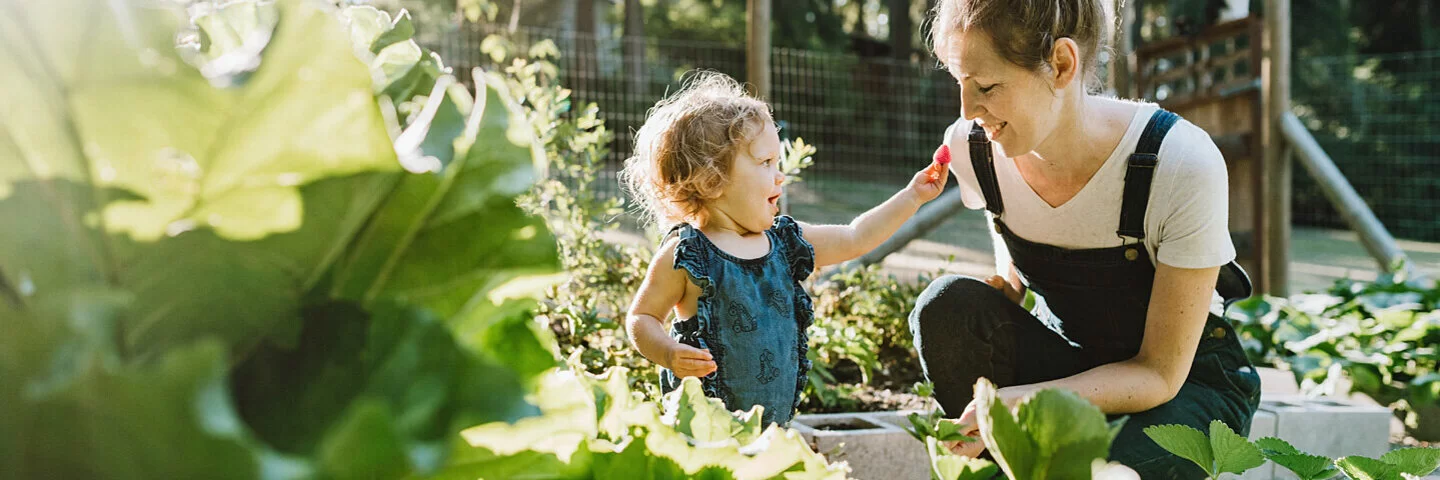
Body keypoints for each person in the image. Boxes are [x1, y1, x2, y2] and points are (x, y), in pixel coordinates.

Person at [910, 0, 1261, 476]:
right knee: (946, 305)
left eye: (987, 86)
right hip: (1072, 364)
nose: (968, 109)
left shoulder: (1179, 162)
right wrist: (1009, 283)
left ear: (1061, 64)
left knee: (1087, 469)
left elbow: (1159, 374)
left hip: (1182, 389)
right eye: (960, 82)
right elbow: (1012, 226)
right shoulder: (975, 148)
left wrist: (1031, 400)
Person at [620, 71, 949, 427]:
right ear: (711, 179)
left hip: (772, 428)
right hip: (703, 429)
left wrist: (913, 196)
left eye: (778, 163)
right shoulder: (687, 255)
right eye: (765, 163)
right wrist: (668, 353)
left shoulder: (785, 242)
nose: (780, 176)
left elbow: (856, 237)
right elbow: (642, 318)